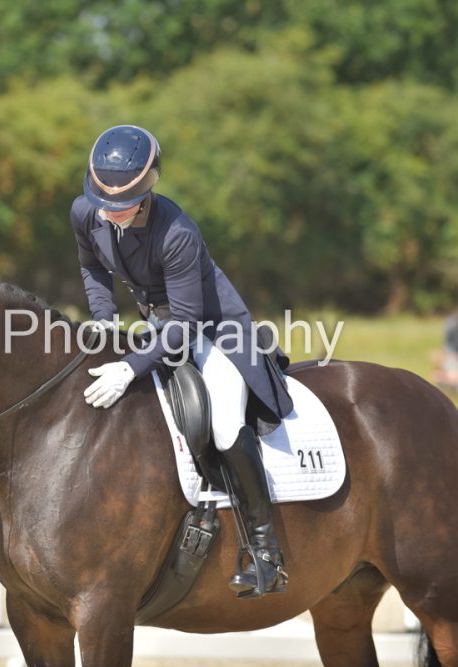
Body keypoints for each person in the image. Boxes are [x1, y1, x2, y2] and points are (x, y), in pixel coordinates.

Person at [71, 125, 294, 597]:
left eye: (121, 204)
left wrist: (131, 366)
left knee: (225, 425)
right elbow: (92, 267)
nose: (109, 212)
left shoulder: (178, 233)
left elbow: (188, 323)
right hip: (157, 324)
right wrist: (105, 321)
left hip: (213, 330)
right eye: (102, 202)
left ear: (148, 188)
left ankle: (266, 551)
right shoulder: (86, 212)